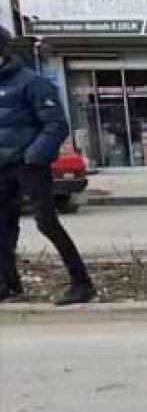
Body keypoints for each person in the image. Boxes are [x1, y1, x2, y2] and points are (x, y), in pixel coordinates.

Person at [0, 33, 94, 305]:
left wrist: (33, 157)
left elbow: (56, 125)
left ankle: (82, 284)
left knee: (47, 224)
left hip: (29, 167)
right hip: (2, 170)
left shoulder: (31, 82)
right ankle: (9, 285)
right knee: (2, 229)